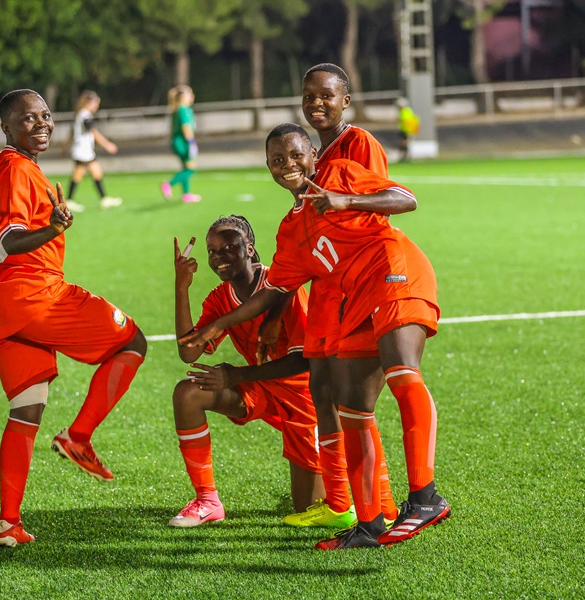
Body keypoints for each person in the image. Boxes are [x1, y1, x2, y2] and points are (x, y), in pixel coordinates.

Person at [180, 124, 450, 550]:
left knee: (402, 373)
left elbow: (406, 199)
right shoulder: (289, 229)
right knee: (353, 407)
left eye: (295, 155)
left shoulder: (338, 172)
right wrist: (220, 323)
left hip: (393, 271)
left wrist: (345, 199)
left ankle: (425, 497)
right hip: (353, 300)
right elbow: (275, 290)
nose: (287, 165)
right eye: (277, 160)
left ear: (313, 155)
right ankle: (370, 523)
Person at [0, 89, 147, 547]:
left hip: (2, 303)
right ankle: (78, 436)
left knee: (26, 408)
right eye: (28, 119)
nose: (42, 124)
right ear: (7, 128)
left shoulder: (3, 167)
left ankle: (8, 522)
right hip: (36, 294)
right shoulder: (14, 169)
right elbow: (9, 240)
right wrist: (53, 227)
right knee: (132, 341)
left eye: (46, 116)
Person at [268, 63, 399, 529]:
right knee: (323, 391)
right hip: (326, 291)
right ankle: (340, 502)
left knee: (353, 400)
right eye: (308, 96)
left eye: (326, 96)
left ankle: (380, 503)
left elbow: (377, 212)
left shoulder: (358, 145)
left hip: (355, 285)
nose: (316, 103)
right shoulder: (315, 155)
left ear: (346, 100)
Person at [168, 215, 347, 528]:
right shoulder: (220, 299)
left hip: (307, 398)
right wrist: (181, 287)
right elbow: (189, 351)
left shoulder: (284, 288)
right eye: (212, 251)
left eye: (228, 248)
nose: (218, 257)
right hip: (261, 388)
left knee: (310, 508)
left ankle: (347, 478)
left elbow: (305, 361)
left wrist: (236, 376)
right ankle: (207, 500)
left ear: (249, 249)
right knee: (188, 393)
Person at [65, 90, 122, 212]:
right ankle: (69, 201)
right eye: (96, 103)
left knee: (95, 173)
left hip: (83, 150)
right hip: (83, 151)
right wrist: (107, 145)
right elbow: (93, 132)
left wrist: (64, 148)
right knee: (78, 175)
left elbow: (71, 133)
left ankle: (104, 199)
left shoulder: (80, 115)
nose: (97, 106)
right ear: (89, 103)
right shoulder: (85, 116)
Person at [160, 85, 201, 203]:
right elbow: (186, 128)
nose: (192, 96)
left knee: (185, 167)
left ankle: (186, 194)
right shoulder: (184, 110)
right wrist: (192, 143)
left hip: (177, 142)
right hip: (183, 142)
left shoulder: (178, 109)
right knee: (191, 168)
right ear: (183, 97)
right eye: (190, 94)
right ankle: (168, 184)